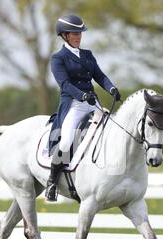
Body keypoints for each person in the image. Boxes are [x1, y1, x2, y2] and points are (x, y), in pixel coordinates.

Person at [45, 14, 121, 202]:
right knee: (66, 141)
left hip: (92, 102)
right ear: (64, 36)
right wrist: (82, 95)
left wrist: (111, 88)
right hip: (73, 104)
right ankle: (52, 183)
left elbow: (100, 76)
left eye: (80, 33)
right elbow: (64, 84)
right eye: (74, 34)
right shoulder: (58, 58)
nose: (78, 37)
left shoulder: (87, 55)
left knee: (111, 130)